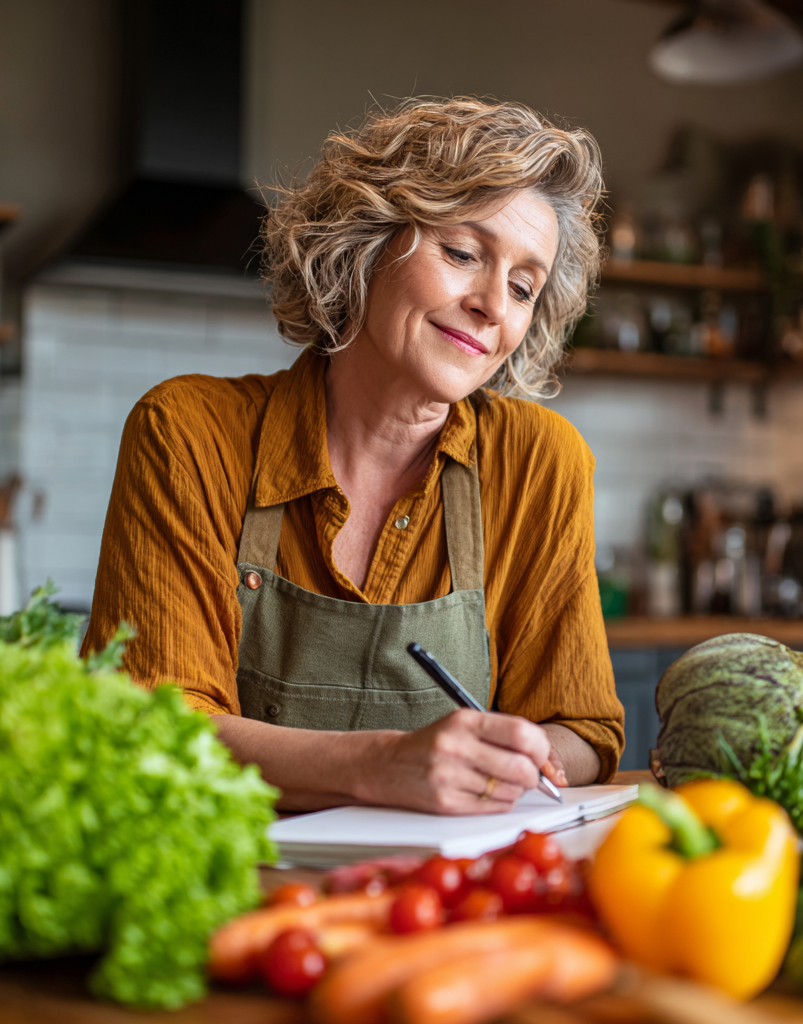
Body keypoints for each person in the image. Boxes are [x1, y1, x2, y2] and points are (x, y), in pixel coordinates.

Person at [82, 96, 624, 814]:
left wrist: (517, 758)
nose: (494, 305)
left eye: (523, 287)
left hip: (440, 898)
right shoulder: (187, 432)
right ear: (365, 244)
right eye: (462, 253)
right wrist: (381, 763)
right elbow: (147, 724)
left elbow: (582, 727)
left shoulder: (540, 462)